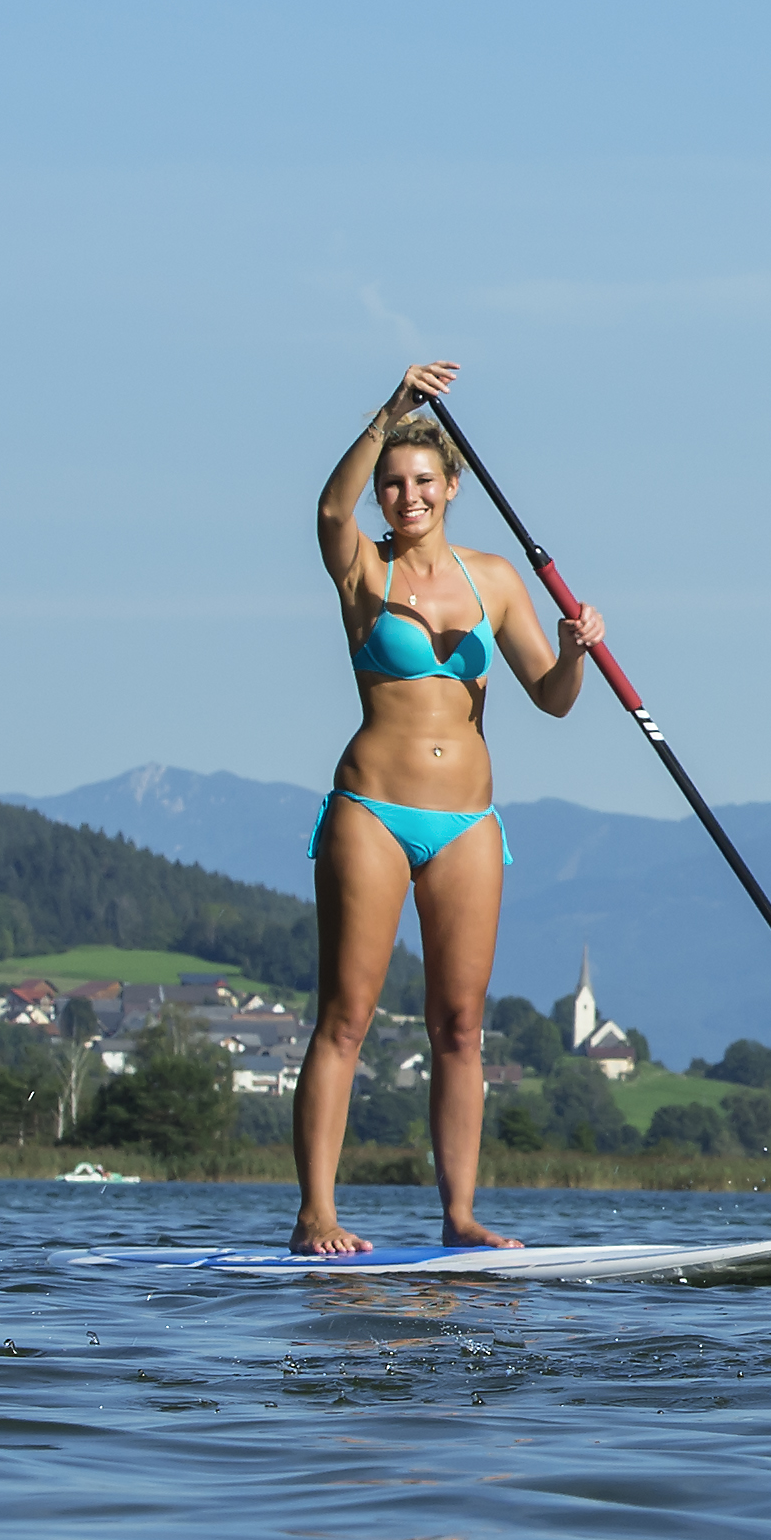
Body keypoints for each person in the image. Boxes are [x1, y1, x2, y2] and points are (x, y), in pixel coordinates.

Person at [289, 361, 601, 1256]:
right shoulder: (361, 569)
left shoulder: (497, 580)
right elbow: (324, 513)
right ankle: (317, 1212)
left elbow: (552, 696)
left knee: (460, 1027)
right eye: (393, 481)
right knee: (345, 1019)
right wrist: (390, 413)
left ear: (453, 486)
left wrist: (578, 650)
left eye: (423, 480)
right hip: (372, 813)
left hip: (469, 823)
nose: (406, 494)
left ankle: (460, 1215)